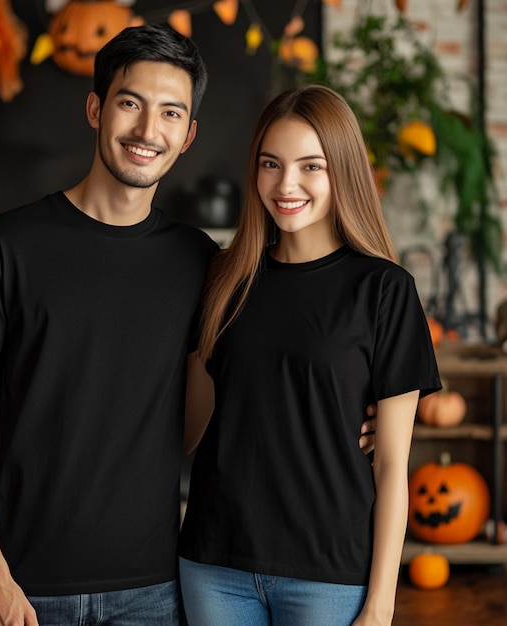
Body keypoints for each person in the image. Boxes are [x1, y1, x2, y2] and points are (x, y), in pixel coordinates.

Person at [0, 24, 376, 625]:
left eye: (170, 113)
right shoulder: (3, 247)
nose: (147, 130)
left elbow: (238, 381)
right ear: (95, 108)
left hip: (157, 588)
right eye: (130, 103)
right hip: (26, 586)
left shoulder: (201, 264)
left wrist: (358, 410)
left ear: (188, 136)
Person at [178, 85, 442, 626]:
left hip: (329, 574)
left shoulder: (384, 290)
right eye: (270, 164)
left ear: (341, 172)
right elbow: (189, 427)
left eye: (310, 166)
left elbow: (393, 465)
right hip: (213, 562)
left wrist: (381, 603)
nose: (286, 184)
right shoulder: (224, 279)